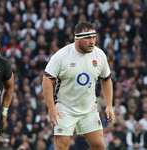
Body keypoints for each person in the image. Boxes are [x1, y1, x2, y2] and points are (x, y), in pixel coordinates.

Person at [42, 21, 115, 150]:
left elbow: (106, 79)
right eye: (87, 38)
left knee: (100, 146)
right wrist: (51, 107)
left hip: (89, 109)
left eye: (93, 37)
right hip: (64, 108)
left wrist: (109, 105)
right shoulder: (61, 56)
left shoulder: (100, 55)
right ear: (77, 39)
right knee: (60, 147)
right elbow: (47, 80)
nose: (92, 41)